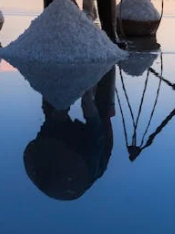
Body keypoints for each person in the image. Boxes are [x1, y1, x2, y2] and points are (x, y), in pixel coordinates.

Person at [23, 68, 116, 201]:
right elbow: (91, 113)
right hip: (95, 151)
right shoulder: (92, 158)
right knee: (102, 109)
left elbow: (54, 117)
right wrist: (88, 89)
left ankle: (57, 71)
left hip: (55, 151)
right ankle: (108, 62)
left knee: (53, 105)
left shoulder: (41, 151)